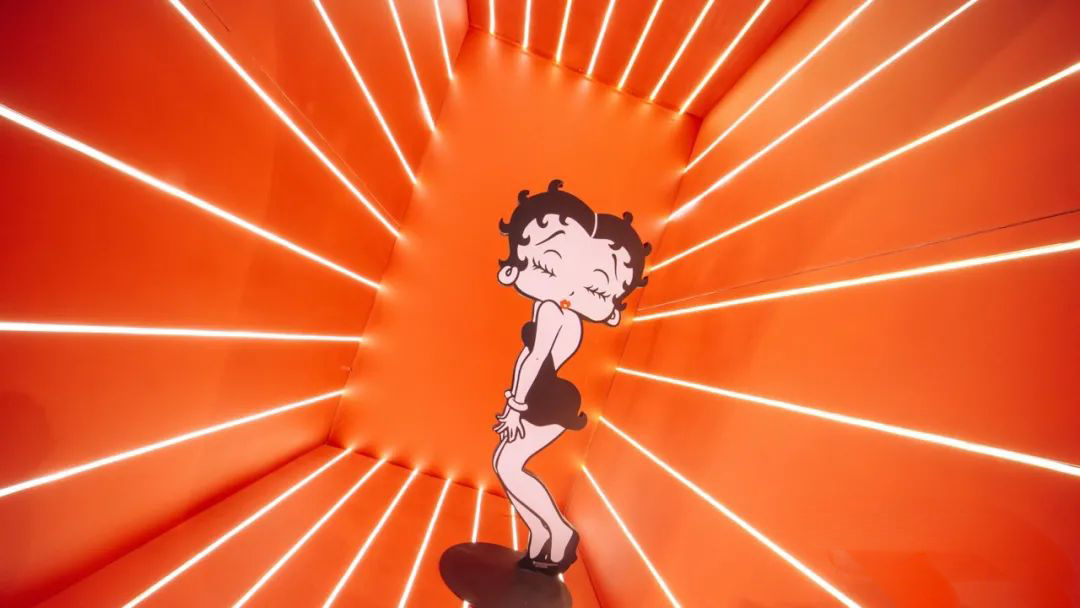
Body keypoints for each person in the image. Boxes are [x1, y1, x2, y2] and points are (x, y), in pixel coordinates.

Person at [492, 179, 650, 575]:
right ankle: (540, 539)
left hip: (543, 399)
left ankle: (559, 533)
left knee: (508, 466)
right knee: (506, 464)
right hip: (548, 397)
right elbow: (531, 358)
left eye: (595, 288)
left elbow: (534, 359)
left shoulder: (552, 310)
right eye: (546, 266)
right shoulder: (561, 313)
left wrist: (515, 406)